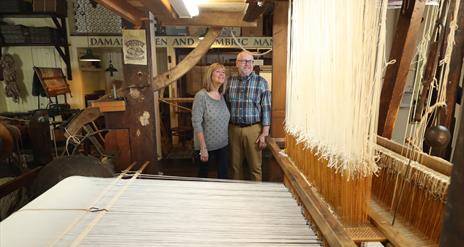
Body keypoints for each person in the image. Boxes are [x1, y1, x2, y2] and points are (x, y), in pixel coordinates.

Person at [226, 51, 271, 181]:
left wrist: (264, 133)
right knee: (235, 167)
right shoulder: (229, 82)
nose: (248, 64)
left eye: (250, 61)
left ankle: (256, 197)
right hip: (233, 129)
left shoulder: (261, 82)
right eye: (244, 61)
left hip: (254, 130)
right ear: (237, 63)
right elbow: (226, 106)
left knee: (255, 168)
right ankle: (238, 198)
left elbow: (266, 109)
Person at [192, 63, 230, 179]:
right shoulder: (201, 96)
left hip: (223, 145)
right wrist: (203, 148)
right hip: (206, 146)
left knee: (223, 177)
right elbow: (196, 123)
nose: (221, 74)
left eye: (223, 72)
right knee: (203, 180)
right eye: (218, 71)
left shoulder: (222, 96)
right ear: (210, 75)